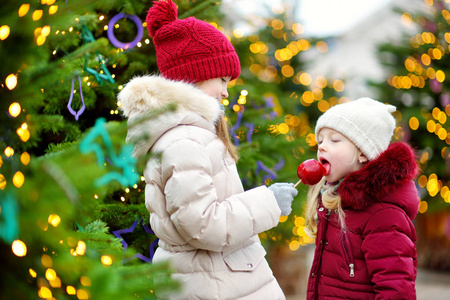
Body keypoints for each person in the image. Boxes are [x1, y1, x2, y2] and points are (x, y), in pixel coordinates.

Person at [118, 0, 298, 299]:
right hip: (216, 283)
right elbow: (202, 224)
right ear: (195, 74)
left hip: (219, 279)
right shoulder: (184, 141)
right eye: (223, 79)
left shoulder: (191, 134)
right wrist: (270, 202)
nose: (227, 91)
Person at [303, 97, 419, 299]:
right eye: (320, 140)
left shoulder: (383, 214)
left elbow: (396, 289)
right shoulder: (334, 201)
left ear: (362, 153)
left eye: (334, 140)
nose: (321, 146)